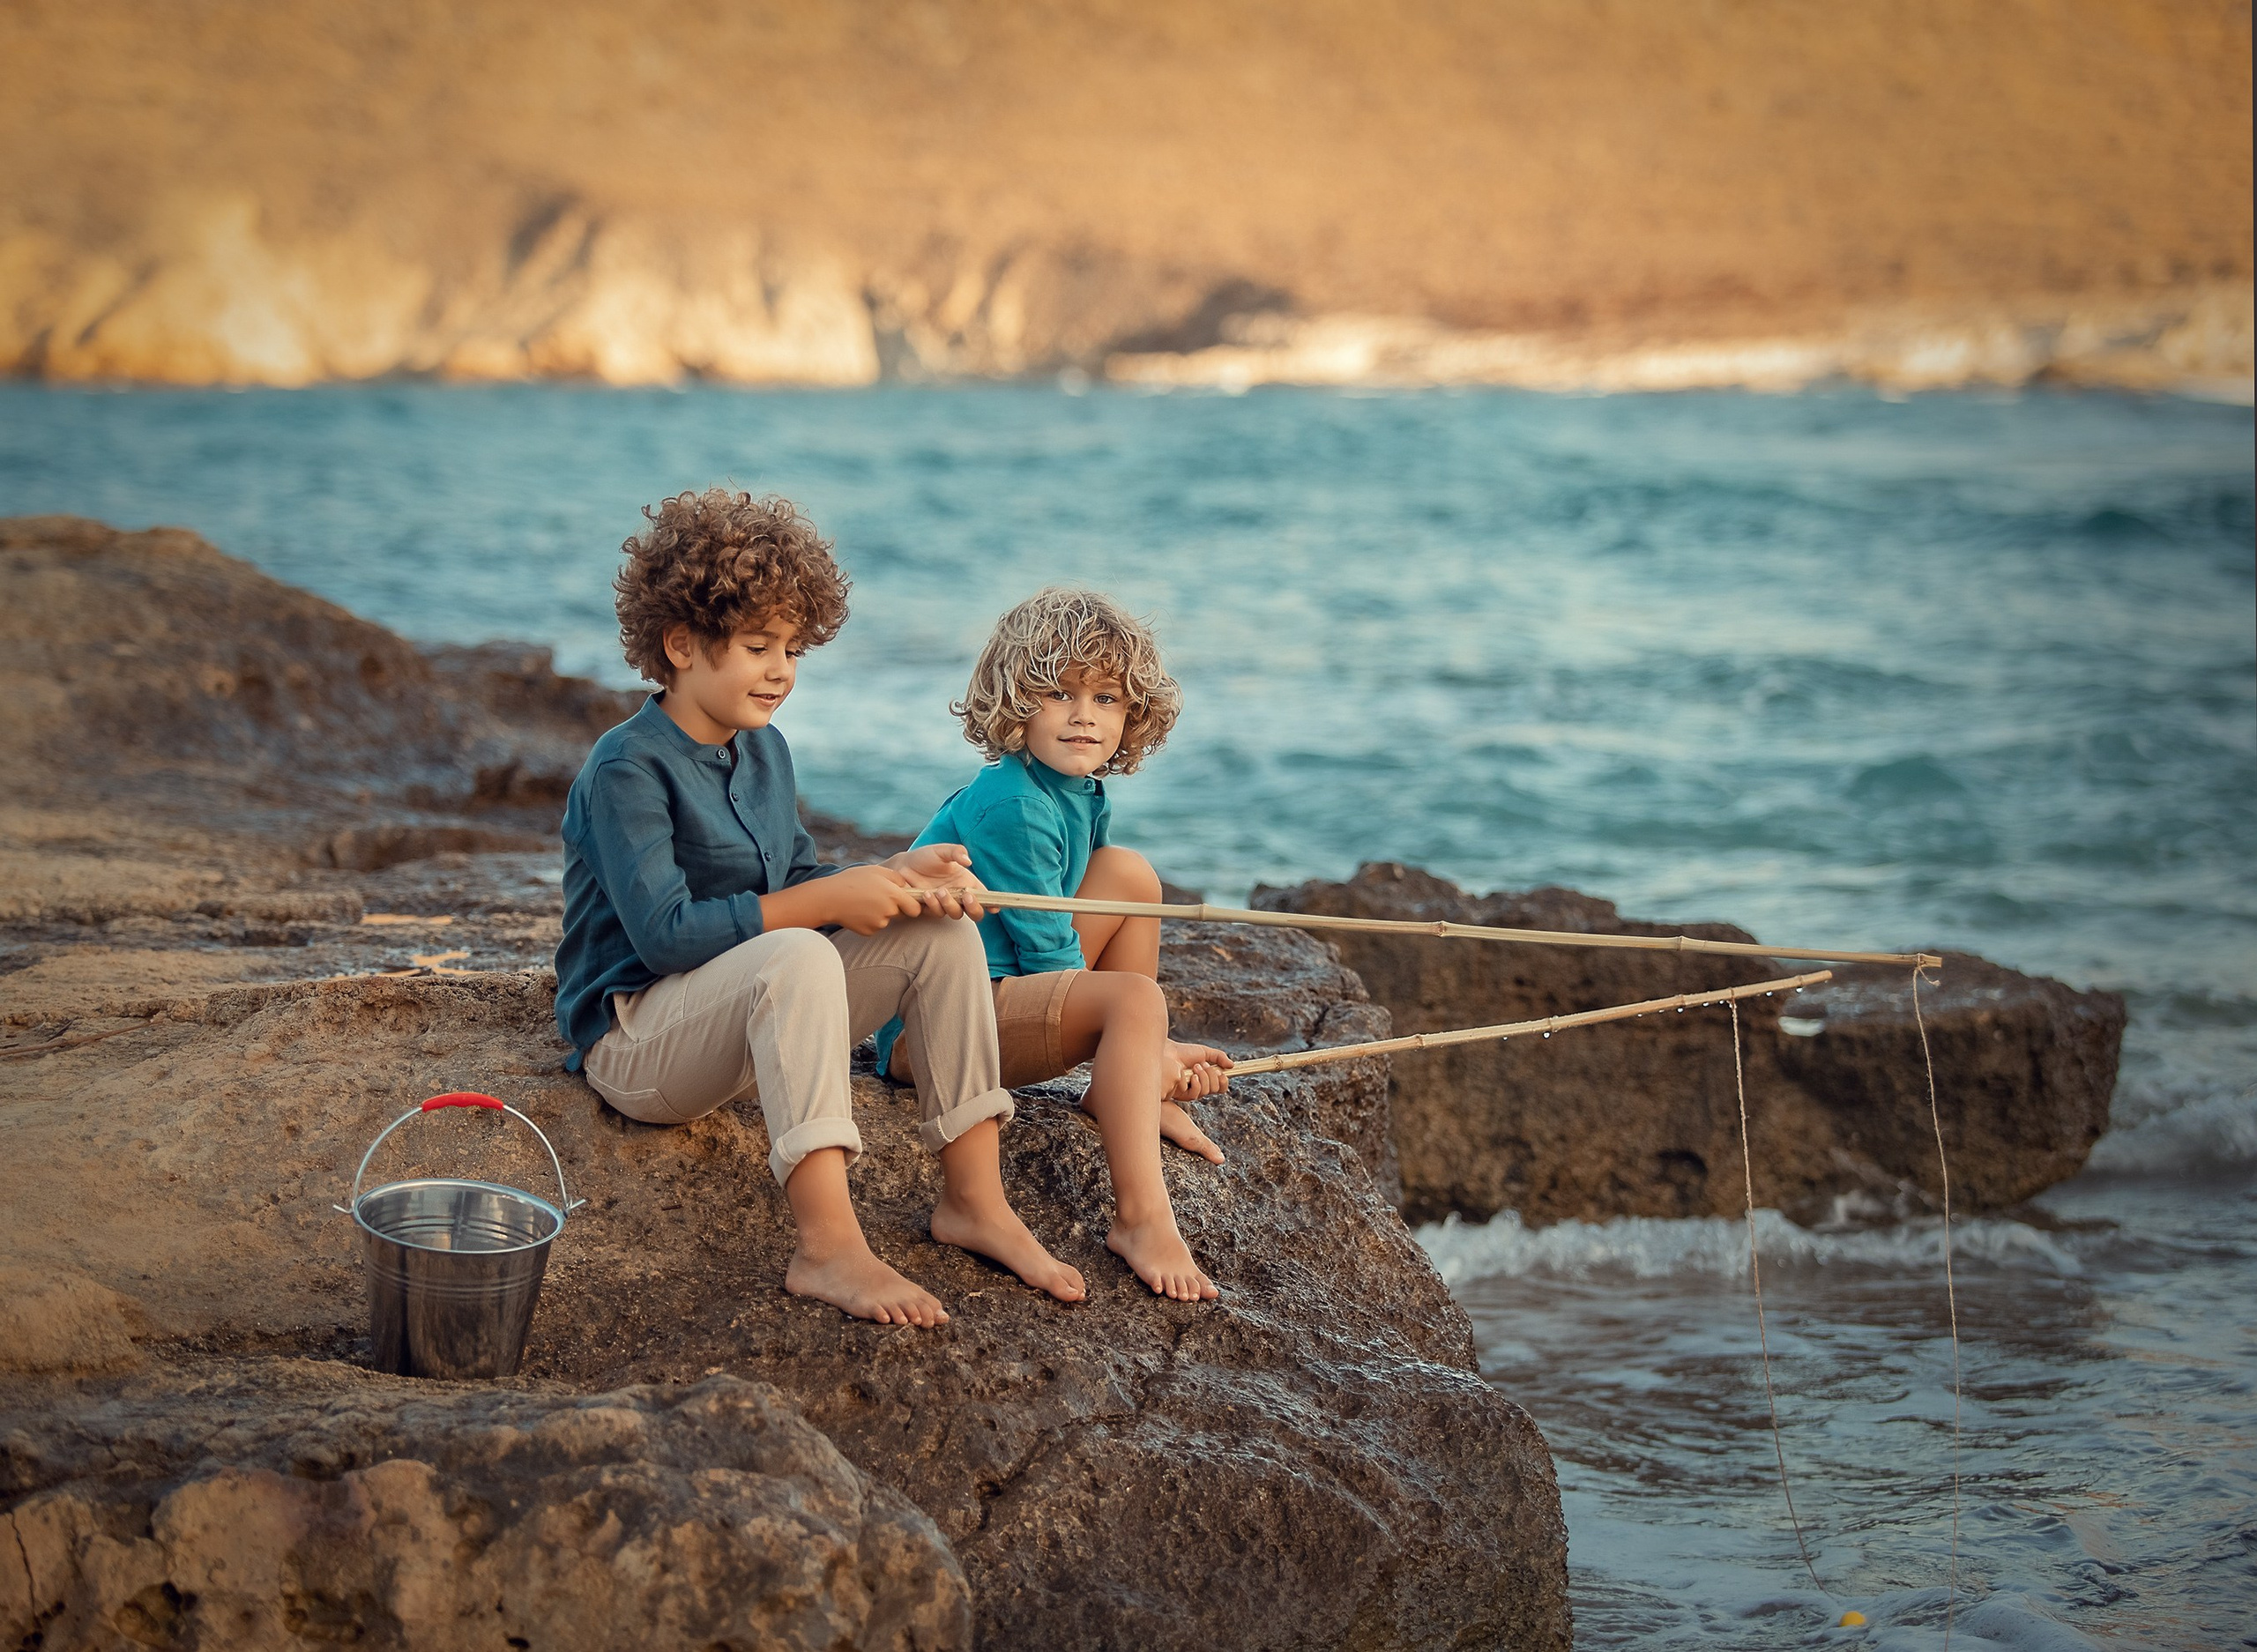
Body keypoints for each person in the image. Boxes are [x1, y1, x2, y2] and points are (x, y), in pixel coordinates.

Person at [554, 488, 1084, 1327]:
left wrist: (893, 872)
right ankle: (829, 1248)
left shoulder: (764, 750)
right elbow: (664, 937)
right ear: (681, 643)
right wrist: (825, 899)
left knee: (938, 931)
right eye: (759, 646)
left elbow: (796, 875)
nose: (781, 671)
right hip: (642, 1042)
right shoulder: (627, 770)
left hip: (749, 1026)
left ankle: (975, 1199)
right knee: (798, 951)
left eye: (795, 649)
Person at [877, 588, 1232, 1302]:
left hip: (1001, 992)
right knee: (1133, 1002)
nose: (1084, 716)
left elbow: (1073, 921)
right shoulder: (1013, 803)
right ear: (1015, 702)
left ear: (1133, 715)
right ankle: (1141, 1218)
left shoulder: (1079, 791)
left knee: (1129, 874)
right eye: (1059, 694)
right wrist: (1151, 1044)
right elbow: (1053, 960)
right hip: (939, 1027)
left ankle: (1116, 1092)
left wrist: (1141, 1061)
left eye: (1106, 699)